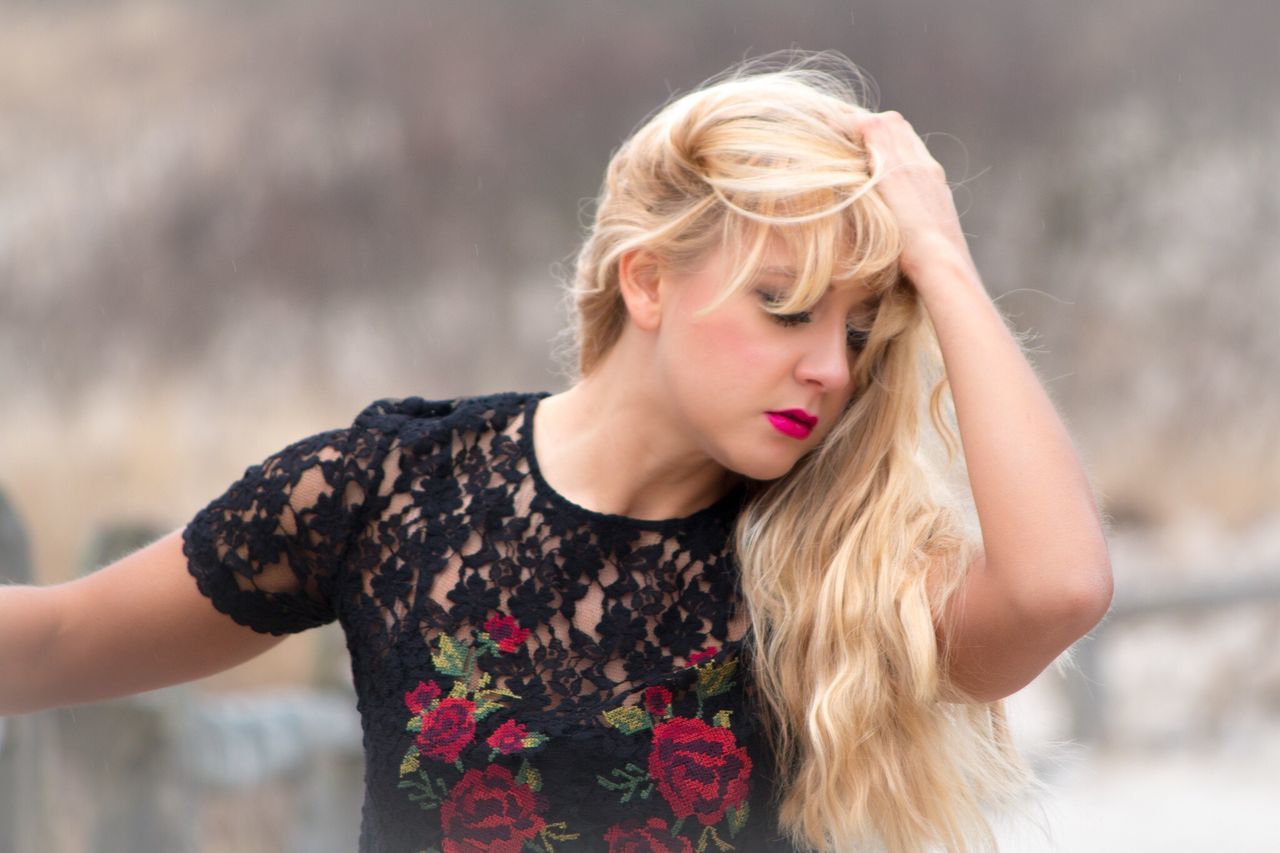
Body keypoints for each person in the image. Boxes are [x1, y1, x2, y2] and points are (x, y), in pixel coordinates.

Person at [0, 51, 1112, 852]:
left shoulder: (833, 565)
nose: (830, 366)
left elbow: (1058, 587)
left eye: (859, 330)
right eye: (785, 309)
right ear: (646, 280)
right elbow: (49, 644)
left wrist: (948, 268)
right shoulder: (391, 491)